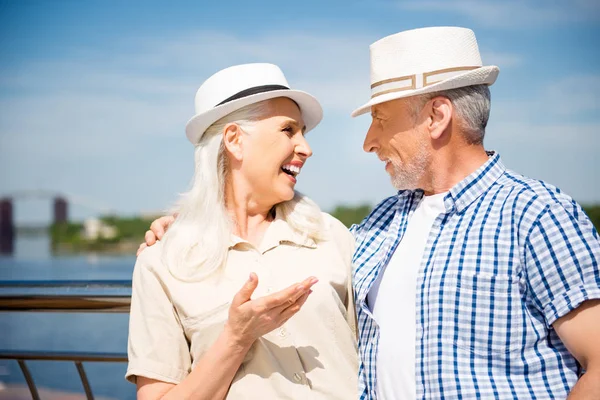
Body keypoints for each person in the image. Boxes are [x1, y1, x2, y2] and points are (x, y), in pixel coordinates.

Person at [142, 27, 600, 400]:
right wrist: (188, 227)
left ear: (436, 117)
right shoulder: (379, 228)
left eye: (380, 118)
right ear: (234, 141)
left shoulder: (536, 215)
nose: (367, 142)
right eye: (288, 130)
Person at [126, 63, 358, 400]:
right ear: (235, 141)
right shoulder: (161, 262)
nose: (306, 148)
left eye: (303, 132)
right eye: (288, 130)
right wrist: (236, 338)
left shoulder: (331, 235)